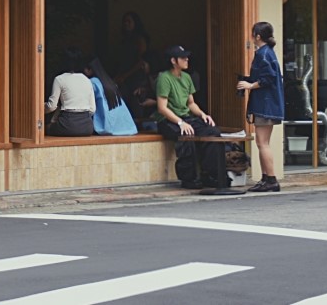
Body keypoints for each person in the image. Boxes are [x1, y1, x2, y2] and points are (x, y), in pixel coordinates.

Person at [154, 45, 233, 193]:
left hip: (186, 117)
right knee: (186, 136)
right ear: (173, 60)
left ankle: (211, 175)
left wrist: (202, 114)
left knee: (212, 132)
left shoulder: (187, 77)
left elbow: (191, 103)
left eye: (186, 57)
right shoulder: (164, 78)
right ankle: (188, 178)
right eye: (183, 57)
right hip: (167, 120)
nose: (186, 59)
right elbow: (162, 108)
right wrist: (180, 122)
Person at [237, 21, 284, 192]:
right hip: (269, 103)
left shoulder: (262, 54)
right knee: (263, 142)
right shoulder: (268, 53)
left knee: (262, 143)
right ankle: (266, 178)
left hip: (265, 104)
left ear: (257, 36)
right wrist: (249, 80)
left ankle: (271, 179)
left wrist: (250, 85)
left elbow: (268, 78)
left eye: (253, 34)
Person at [45, 54, 96, 137]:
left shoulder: (59, 79)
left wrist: (40, 109)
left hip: (67, 124)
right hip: (87, 127)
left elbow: (51, 106)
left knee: (45, 128)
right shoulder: (87, 80)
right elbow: (92, 109)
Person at [88, 58, 139, 136]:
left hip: (108, 128)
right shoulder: (109, 82)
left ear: (90, 70)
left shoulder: (93, 82)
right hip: (126, 128)